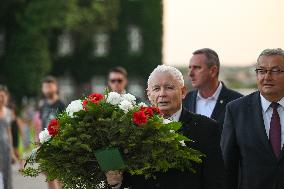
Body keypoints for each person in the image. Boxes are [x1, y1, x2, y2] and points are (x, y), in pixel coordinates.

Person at [107, 65, 225, 189]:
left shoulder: (207, 128)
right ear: (149, 94)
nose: (162, 94)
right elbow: (126, 179)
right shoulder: (132, 128)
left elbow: (216, 181)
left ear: (183, 91)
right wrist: (116, 182)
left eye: (169, 88)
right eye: (156, 89)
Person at [221, 48, 284, 189]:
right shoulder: (236, 110)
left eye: (275, 71)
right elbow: (227, 165)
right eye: (261, 71)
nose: (267, 77)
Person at [183, 48, 243, 131]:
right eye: (190, 67)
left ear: (213, 71)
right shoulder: (184, 100)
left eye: (197, 68)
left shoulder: (238, 103)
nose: (190, 73)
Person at [39, 76, 65, 189]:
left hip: (59, 146)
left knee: (60, 178)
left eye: (50, 86)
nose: (47, 89)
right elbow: (41, 124)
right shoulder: (43, 105)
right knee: (49, 176)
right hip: (45, 146)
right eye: (45, 86)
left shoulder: (61, 104)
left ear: (56, 87)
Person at [0, 85, 17, 189]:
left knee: (7, 177)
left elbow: (9, 132)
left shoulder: (8, 112)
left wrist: (12, 152)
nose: (0, 99)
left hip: (5, 149)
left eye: (2, 96)